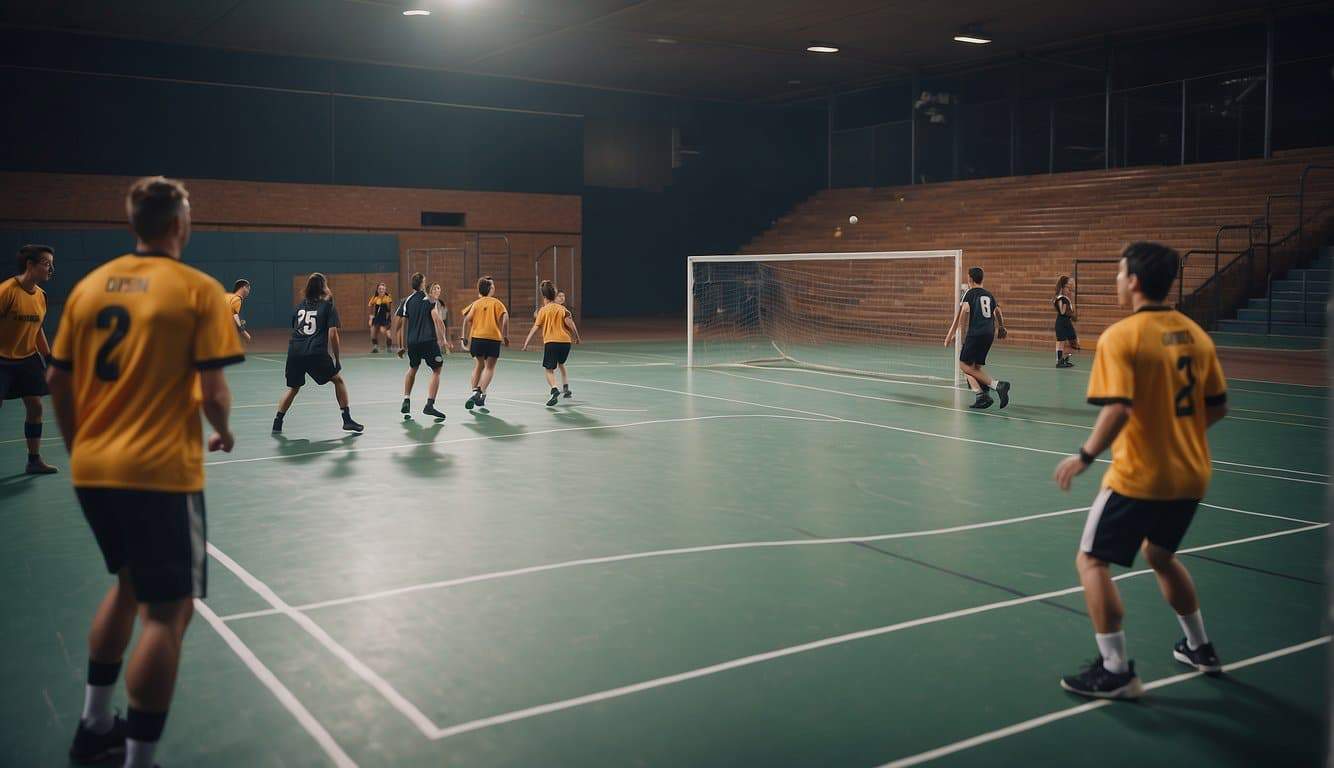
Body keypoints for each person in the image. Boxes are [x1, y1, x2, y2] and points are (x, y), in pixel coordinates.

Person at [48, 176, 244, 767]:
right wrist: (224, 428)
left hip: (93, 466)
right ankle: (137, 759)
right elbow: (213, 391)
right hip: (159, 471)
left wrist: (78, 443)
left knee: (128, 587)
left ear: (134, 223)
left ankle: (93, 725)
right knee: (169, 611)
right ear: (181, 223)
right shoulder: (196, 289)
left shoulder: (88, 287)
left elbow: (58, 378)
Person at [1053, 242, 1227, 700]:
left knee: (1091, 561)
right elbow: (1218, 406)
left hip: (1140, 476)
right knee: (1160, 555)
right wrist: (1178, 434)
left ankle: (1115, 671)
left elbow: (1118, 409)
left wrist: (1085, 455)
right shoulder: (1196, 334)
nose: (1115, 281)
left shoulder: (1122, 337)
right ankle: (1199, 647)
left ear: (1132, 281)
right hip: (1190, 475)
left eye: (1117, 273)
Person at [271, 272, 364, 435]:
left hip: (294, 352)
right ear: (324, 288)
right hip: (314, 352)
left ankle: (277, 422)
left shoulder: (300, 306)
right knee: (338, 380)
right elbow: (333, 334)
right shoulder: (328, 306)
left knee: (293, 388)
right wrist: (337, 358)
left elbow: (295, 327)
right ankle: (347, 420)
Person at [0, 244, 59, 474]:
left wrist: (48, 357)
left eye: (52, 265)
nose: (50, 269)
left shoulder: (41, 296)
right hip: (1, 359)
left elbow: (37, 330)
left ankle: (34, 461)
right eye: (46, 264)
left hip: (26, 358)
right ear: (30, 265)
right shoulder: (6, 292)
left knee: (35, 406)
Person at [943, 267, 1011, 409]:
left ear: (970, 279)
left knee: (963, 365)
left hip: (976, 333)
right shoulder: (989, 294)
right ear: (982, 279)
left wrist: (958, 335)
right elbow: (998, 311)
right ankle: (981, 396)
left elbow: (963, 313)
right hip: (989, 333)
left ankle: (997, 385)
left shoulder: (969, 293)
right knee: (975, 367)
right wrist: (1002, 327)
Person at [396, 273, 449, 421]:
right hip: (428, 341)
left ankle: (406, 398)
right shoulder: (430, 299)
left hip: (412, 342)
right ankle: (429, 405)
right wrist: (443, 338)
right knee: (437, 370)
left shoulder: (406, 301)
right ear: (422, 284)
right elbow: (437, 319)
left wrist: (401, 346)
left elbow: (400, 325)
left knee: (413, 368)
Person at [522, 280, 581, 405]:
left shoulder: (543, 311)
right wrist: (577, 337)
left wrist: (526, 343)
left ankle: (554, 388)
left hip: (551, 342)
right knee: (561, 363)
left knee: (549, 369)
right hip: (565, 342)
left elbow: (535, 328)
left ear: (544, 297)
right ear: (554, 295)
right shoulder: (563, 309)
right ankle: (566, 386)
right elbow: (571, 324)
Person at [461, 276, 508, 410]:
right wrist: (505, 335)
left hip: (476, 338)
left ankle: (476, 393)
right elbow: (505, 318)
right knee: (489, 367)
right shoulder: (497, 303)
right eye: (492, 286)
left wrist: (463, 336)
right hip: (493, 338)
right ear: (490, 289)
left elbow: (466, 319)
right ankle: (480, 391)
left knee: (479, 365)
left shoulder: (476, 303)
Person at [1054, 275, 1079, 368]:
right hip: (1061, 322)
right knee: (1061, 342)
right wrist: (1066, 303)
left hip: (1067, 322)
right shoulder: (1061, 298)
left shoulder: (1066, 298)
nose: (1069, 289)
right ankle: (1059, 361)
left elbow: (1070, 313)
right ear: (1063, 287)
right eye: (1067, 287)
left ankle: (1065, 359)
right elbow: (1062, 312)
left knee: (1073, 342)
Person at [367, 282, 394, 353]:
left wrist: (384, 301)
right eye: (380, 289)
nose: (381, 290)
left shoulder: (388, 298)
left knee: (385, 333)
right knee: (373, 333)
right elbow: (370, 308)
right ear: (377, 290)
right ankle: (375, 347)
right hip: (376, 318)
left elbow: (389, 310)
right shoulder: (374, 298)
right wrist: (370, 318)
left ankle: (389, 347)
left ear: (385, 290)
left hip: (385, 318)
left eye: (383, 289)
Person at [224, 279, 252, 344]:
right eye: (248, 288)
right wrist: (243, 332)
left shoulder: (230, 297)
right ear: (243, 287)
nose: (248, 291)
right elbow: (234, 315)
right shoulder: (237, 299)